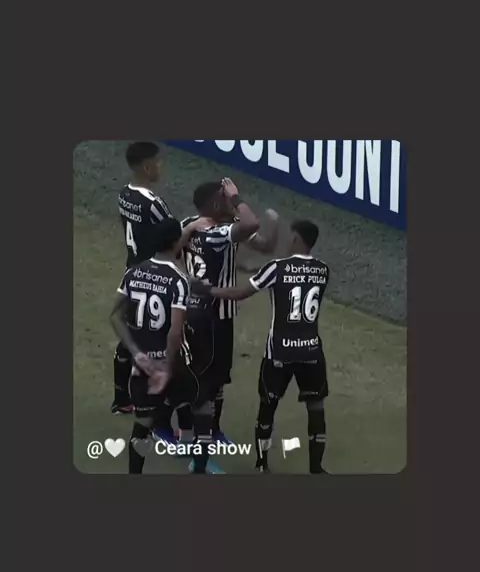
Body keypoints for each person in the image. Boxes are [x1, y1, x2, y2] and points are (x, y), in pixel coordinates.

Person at [192, 220, 329, 474]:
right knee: (316, 408)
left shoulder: (276, 268)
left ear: (296, 239)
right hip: (312, 352)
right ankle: (316, 468)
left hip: (279, 352)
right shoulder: (323, 270)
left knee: (268, 407)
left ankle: (261, 464)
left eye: (290, 236)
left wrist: (208, 290)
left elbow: (240, 293)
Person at [110, 217, 213, 475]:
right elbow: (175, 332)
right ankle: (199, 468)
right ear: (176, 242)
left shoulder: (133, 272)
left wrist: (136, 354)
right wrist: (166, 369)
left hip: (142, 365)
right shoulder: (178, 280)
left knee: (143, 425)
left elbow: (114, 316)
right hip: (170, 364)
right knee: (203, 408)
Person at [112, 141, 209, 416]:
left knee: (131, 331)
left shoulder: (124, 194)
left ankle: (121, 398)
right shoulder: (153, 203)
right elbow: (172, 237)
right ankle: (165, 399)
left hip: (132, 271)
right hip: (155, 275)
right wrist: (192, 227)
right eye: (158, 161)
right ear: (147, 167)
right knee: (162, 334)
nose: (161, 166)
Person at [182, 178, 280, 440]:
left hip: (191, 308)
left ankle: (201, 429)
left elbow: (264, 245)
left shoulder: (190, 225)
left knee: (204, 373)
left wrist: (274, 226)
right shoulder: (219, 233)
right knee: (211, 377)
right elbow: (250, 225)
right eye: (225, 198)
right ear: (216, 204)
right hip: (214, 314)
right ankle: (201, 433)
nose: (231, 203)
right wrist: (237, 198)